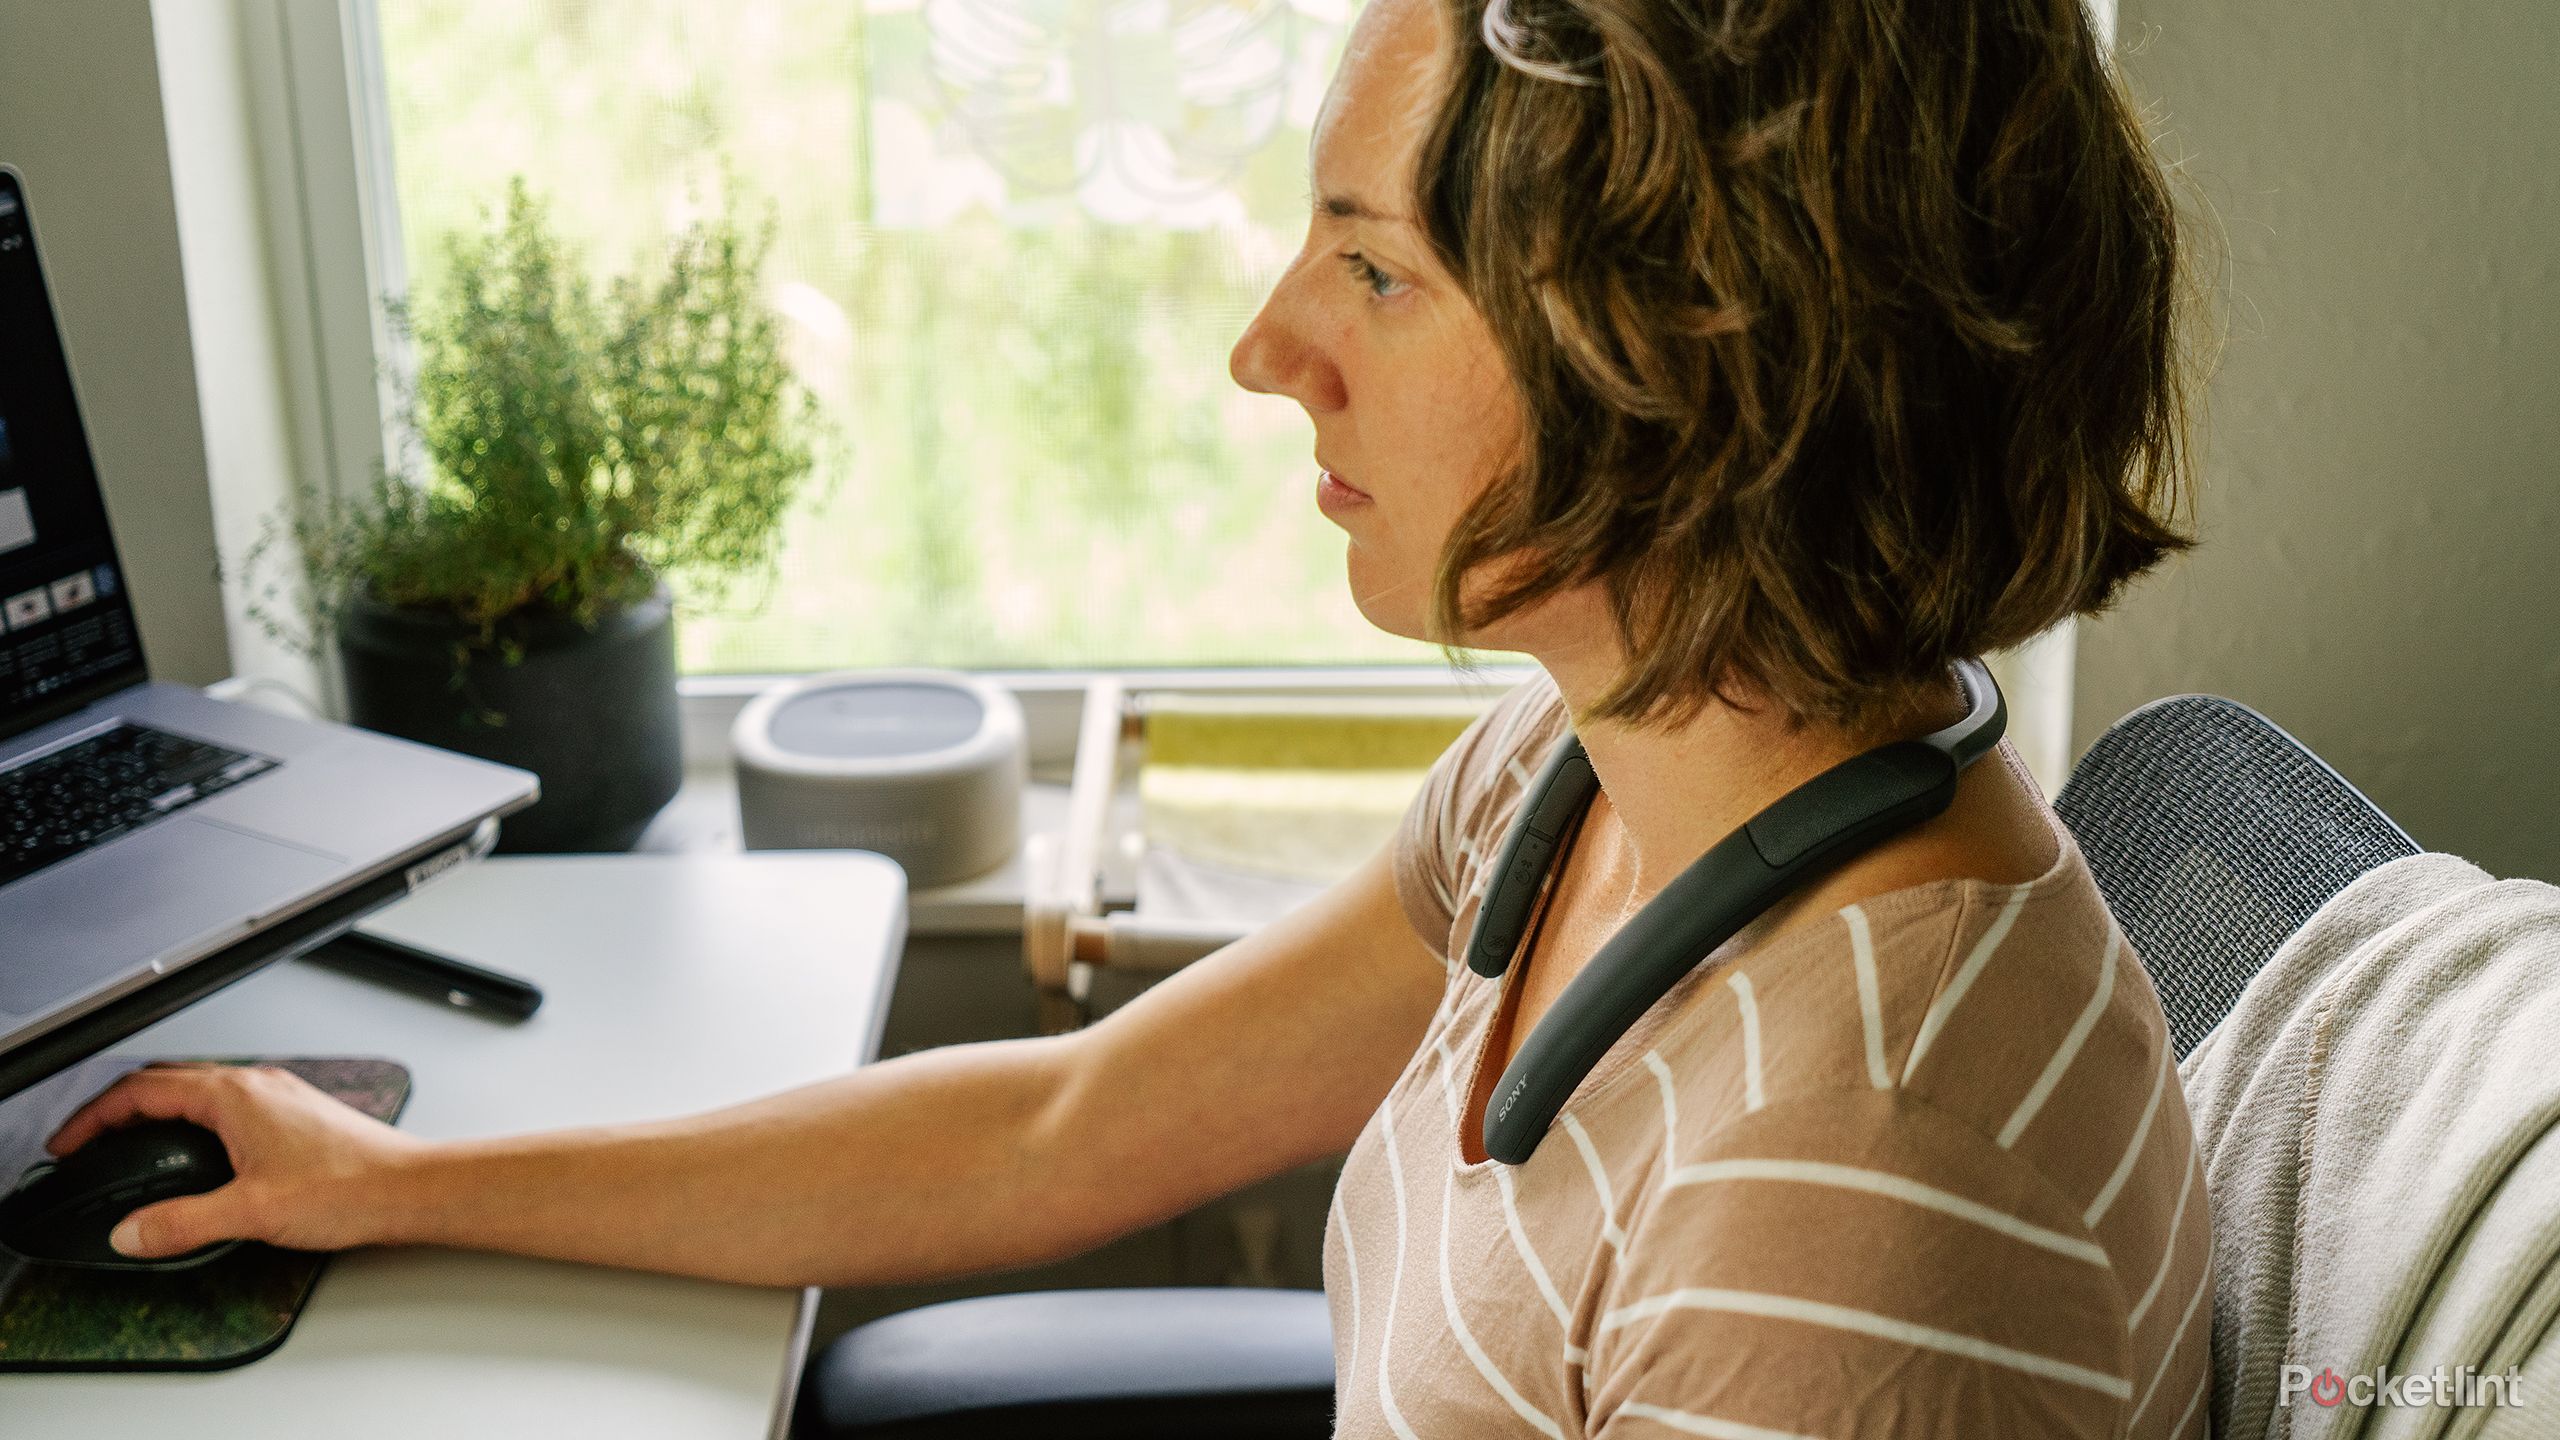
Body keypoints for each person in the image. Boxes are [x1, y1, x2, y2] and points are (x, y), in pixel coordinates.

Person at [51, 0, 2212, 1432]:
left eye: (1375, 271)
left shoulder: (1862, 1183)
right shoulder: (1592, 772)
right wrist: (388, 1182)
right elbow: (1067, 1125)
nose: (1268, 349)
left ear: (1691, 359)